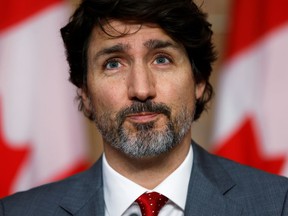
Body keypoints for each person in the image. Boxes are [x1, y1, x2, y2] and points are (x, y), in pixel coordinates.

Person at [1, 0, 288, 215]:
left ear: (198, 80)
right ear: (85, 92)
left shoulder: (279, 204)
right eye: (113, 63)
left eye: (161, 59)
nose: (141, 89)